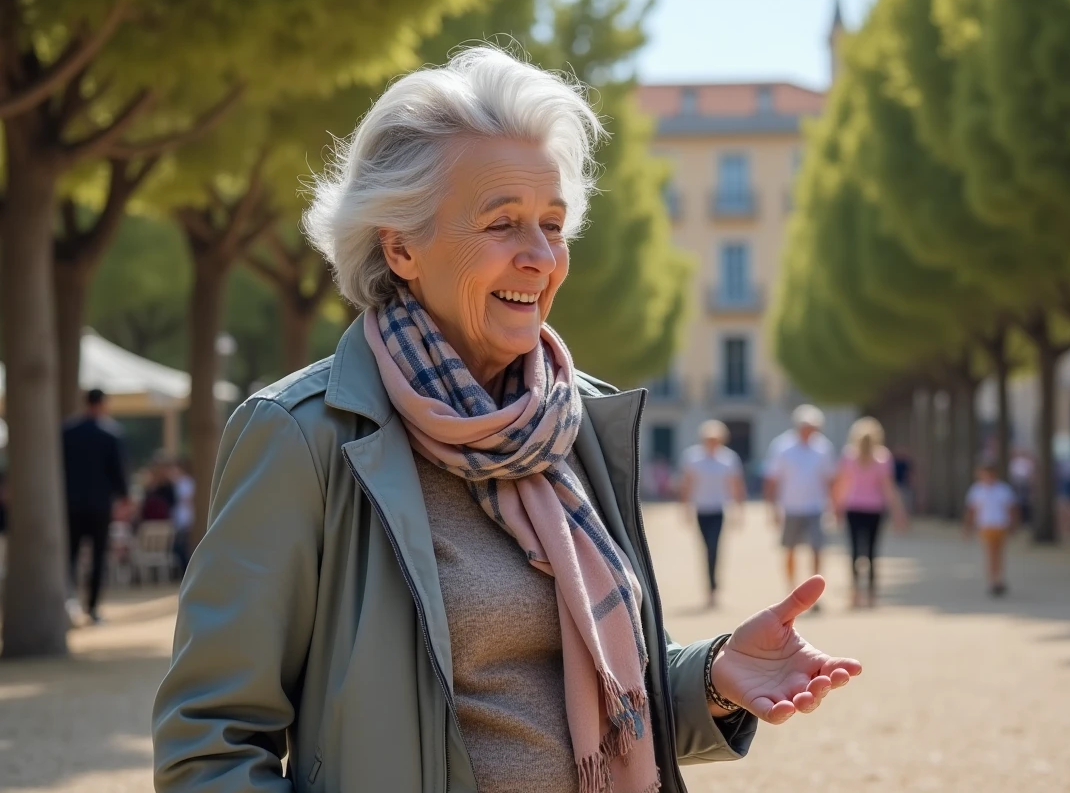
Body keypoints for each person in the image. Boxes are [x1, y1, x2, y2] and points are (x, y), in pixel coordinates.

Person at [152, 47, 862, 793]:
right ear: (401, 246)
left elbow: (609, 699)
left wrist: (714, 676)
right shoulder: (302, 436)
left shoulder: (576, 421)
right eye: (502, 224)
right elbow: (210, 741)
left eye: (552, 224)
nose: (541, 257)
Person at [62, 388, 129, 625]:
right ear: (102, 404)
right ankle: (92, 608)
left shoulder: (67, 432)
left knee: (69, 555)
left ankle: (67, 602)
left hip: (70, 504)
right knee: (98, 556)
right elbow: (118, 472)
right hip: (100, 505)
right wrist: (124, 498)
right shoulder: (110, 434)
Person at [763, 405, 837, 603]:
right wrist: (772, 508)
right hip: (791, 507)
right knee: (789, 549)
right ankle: (791, 589)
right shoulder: (782, 446)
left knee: (817, 548)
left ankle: (815, 592)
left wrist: (834, 506)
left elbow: (830, 480)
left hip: (816, 506)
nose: (809, 431)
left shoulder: (823, 447)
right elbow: (772, 479)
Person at [834, 416, 907, 608]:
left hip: (853, 507)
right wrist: (898, 512)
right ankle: (872, 595)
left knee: (854, 552)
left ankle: (855, 594)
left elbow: (842, 484)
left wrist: (836, 507)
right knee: (872, 552)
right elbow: (888, 488)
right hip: (875, 509)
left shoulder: (849, 456)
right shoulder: (882, 457)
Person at [679, 420, 746, 608]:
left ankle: (713, 588)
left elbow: (736, 485)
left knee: (714, 547)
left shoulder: (729, 458)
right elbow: (687, 484)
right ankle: (709, 586)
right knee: (705, 548)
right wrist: (685, 508)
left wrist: (739, 510)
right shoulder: (692, 457)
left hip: (718, 509)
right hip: (701, 509)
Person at [964, 462, 1018, 596]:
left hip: (1000, 525)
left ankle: (999, 578)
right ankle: (993, 580)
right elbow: (972, 510)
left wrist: (1013, 525)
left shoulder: (1003, 489)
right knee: (990, 553)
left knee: (999, 553)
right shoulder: (977, 490)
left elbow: (1011, 508)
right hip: (985, 526)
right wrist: (968, 527)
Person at [170, 457, 195, 576]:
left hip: (185, 518)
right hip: (179, 518)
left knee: (182, 546)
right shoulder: (177, 483)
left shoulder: (186, 482)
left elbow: (188, 499)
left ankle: (186, 570)